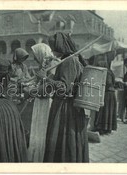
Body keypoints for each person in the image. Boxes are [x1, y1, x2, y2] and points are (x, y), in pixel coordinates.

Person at [40, 32, 89, 162]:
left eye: (53, 47)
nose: (52, 50)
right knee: (70, 142)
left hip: (65, 108)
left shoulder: (69, 61)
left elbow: (63, 87)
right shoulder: (73, 59)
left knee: (63, 141)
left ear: (60, 46)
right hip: (70, 107)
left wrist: (45, 78)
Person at [27, 43, 57, 162]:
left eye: (35, 55)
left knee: (42, 130)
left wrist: (32, 91)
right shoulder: (43, 65)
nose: (34, 58)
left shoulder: (53, 65)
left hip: (46, 102)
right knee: (37, 129)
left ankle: (41, 157)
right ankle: (36, 155)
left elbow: (49, 87)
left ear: (41, 53)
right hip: (40, 100)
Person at [94, 61, 117, 135]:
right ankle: (108, 128)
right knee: (109, 111)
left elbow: (109, 82)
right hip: (110, 93)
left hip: (108, 93)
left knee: (106, 111)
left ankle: (104, 128)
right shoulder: (109, 71)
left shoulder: (106, 72)